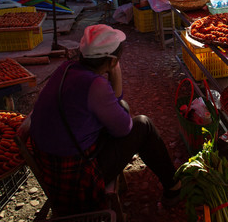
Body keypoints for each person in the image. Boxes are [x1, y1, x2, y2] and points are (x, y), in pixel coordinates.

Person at [29, 24, 181, 215]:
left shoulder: (67, 67)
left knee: (122, 108)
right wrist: (116, 75)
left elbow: (115, 105)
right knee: (143, 125)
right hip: (77, 177)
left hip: (52, 165)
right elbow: (124, 128)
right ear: (111, 61)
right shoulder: (95, 85)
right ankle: (173, 186)